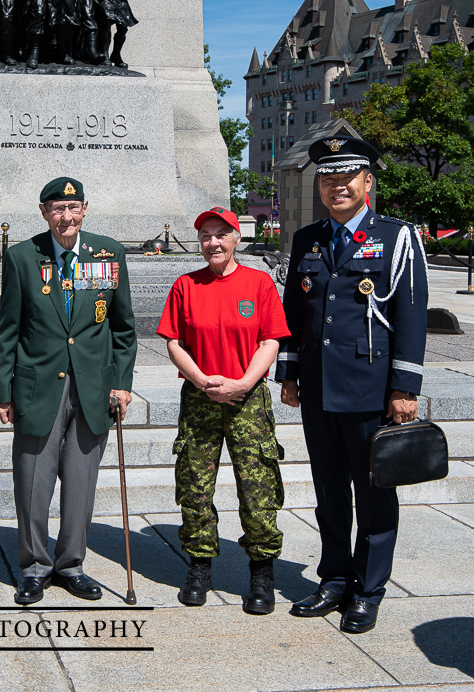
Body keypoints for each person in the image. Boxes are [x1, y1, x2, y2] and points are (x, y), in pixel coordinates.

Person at [275, 135, 427, 635]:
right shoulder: (308, 239)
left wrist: (404, 389)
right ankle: (334, 579)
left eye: (346, 177)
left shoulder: (398, 236)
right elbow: (295, 316)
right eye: (327, 178)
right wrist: (291, 374)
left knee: (375, 491)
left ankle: (368, 589)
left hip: (370, 389)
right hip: (319, 388)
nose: (336, 186)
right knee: (329, 493)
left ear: (367, 181)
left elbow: (410, 317)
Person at [0, 177, 137, 605]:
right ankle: (34, 567)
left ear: (85, 209)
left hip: (93, 388)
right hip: (38, 386)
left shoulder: (108, 252)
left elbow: (123, 329)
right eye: (57, 209)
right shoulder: (22, 256)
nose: (66, 217)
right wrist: (4, 392)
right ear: (43, 212)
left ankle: (71, 563)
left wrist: (122, 384)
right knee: (33, 482)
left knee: (81, 483)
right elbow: (9, 330)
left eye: (73, 209)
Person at [157, 206, 291, 614]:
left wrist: (245, 382)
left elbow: (271, 339)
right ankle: (199, 566)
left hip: (248, 399)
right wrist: (201, 381)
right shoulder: (185, 285)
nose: (212, 242)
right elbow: (174, 342)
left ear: (236, 239)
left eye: (220, 234)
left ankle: (262, 572)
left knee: (258, 487)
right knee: (195, 485)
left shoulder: (259, 283)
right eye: (205, 236)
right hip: (201, 398)